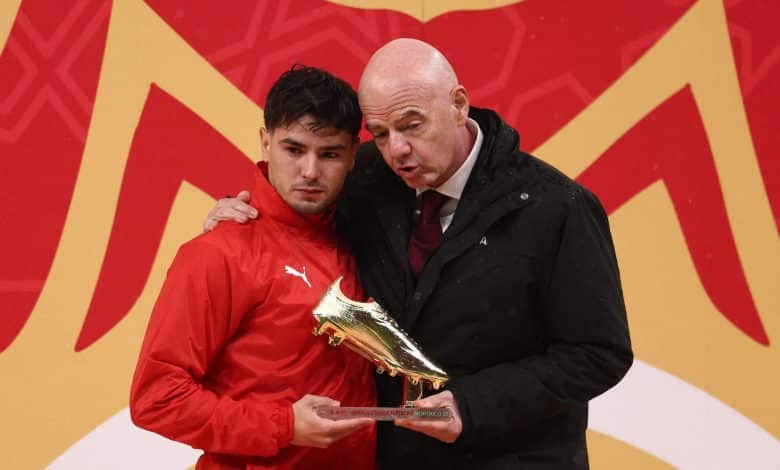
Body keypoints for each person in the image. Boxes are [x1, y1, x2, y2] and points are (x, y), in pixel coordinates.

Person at [206, 39, 633, 469]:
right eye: (380, 133)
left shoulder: (557, 206)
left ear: (459, 105)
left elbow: (598, 353)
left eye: (412, 126)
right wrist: (243, 215)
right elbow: (297, 216)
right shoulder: (366, 176)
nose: (397, 150)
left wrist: (472, 405)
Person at [130, 66, 377, 470]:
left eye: (329, 153)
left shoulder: (365, 235)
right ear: (265, 142)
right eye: (293, 149)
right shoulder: (219, 253)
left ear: (353, 154)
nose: (310, 172)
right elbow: (157, 398)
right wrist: (283, 425)